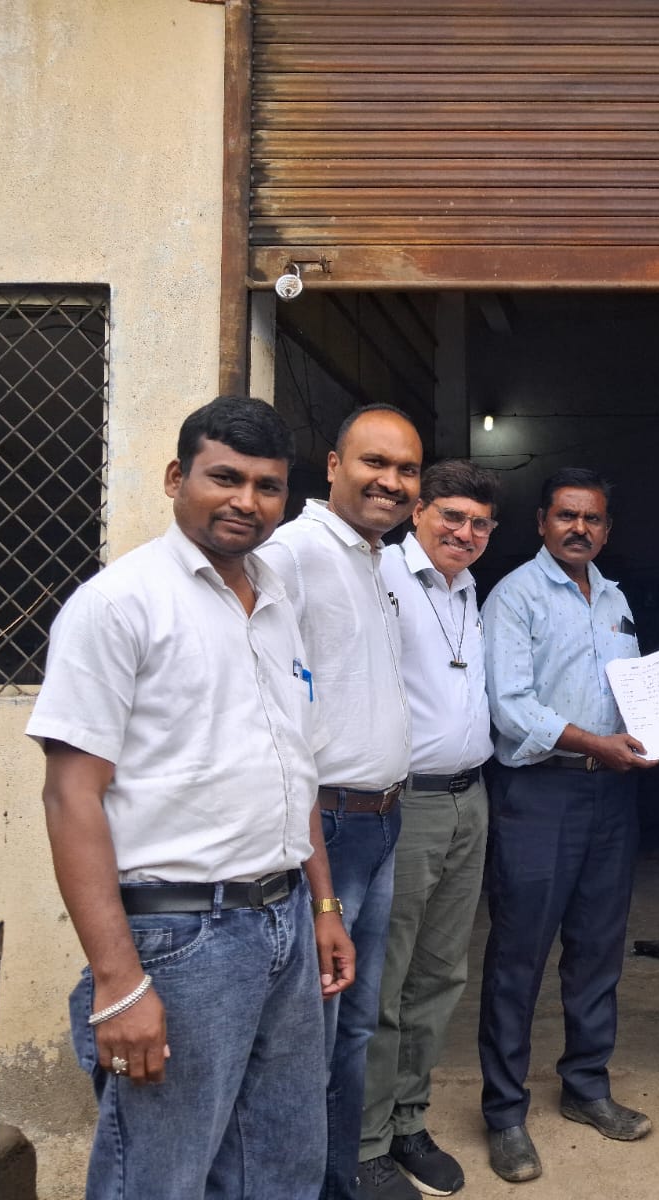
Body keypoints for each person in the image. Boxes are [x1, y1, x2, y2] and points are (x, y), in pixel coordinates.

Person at [27, 396, 346, 1198]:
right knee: (160, 1177)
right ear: (177, 478)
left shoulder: (276, 602)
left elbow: (294, 766)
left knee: (282, 1164)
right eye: (224, 478)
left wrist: (322, 905)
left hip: (281, 923)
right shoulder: (119, 605)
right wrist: (118, 982)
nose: (246, 501)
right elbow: (71, 798)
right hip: (181, 939)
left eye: (267, 487)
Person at [258, 403, 422, 1200]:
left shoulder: (373, 559)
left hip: (382, 820)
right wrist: (320, 887)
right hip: (327, 828)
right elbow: (271, 714)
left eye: (406, 470)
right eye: (374, 463)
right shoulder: (292, 554)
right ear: (333, 466)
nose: (391, 481)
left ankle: (338, 1178)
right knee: (312, 1034)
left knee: (354, 1023)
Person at [478, 467, 657, 1183]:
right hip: (540, 793)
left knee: (597, 948)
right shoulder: (514, 595)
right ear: (542, 523)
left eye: (593, 518)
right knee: (518, 955)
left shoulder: (614, 598)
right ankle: (504, 1112)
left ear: (607, 529)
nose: (579, 528)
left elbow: (631, 690)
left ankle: (586, 1086)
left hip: (610, 796)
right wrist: (594, 744)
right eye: (566, 516)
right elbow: (510, 705)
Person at [359, 460, 502, 1198]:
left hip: (469, 798)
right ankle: (366, 1141)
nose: (465, 533)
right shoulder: (381, 575)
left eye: (480, 524)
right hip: (405, 804)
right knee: (386, 977)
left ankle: (409, 1120)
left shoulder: (467, 588)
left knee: (442, 973)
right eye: (451, 516)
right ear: (417, 512)